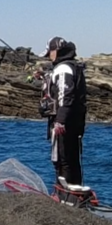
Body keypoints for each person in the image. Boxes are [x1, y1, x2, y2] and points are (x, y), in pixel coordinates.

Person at [42, 36, 87, 188]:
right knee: (72, 159)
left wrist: (60, 121)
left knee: (63, 159)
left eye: (50, 52)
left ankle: (66, 196)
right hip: (76, 122)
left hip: (64, 123)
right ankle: (75, 192)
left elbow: (65, 95)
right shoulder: (73, 66)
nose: (49, 56)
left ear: (56, 51)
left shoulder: (63, 68)